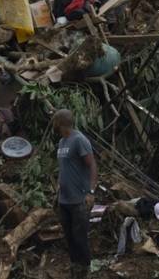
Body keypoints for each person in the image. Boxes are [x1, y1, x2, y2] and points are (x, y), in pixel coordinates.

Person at [54, 108, 97, 278]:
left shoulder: (79, 140)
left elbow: (92, 165)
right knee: (69, 237)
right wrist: (58, 186)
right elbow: (63, 168)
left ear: (61, 123)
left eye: (56, 122)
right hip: (64, 199)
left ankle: (85, 269)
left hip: (79, 199)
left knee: (80, 237)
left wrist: (91, 192)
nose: (54, 125)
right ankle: (74, 267)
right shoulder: (61, 142)